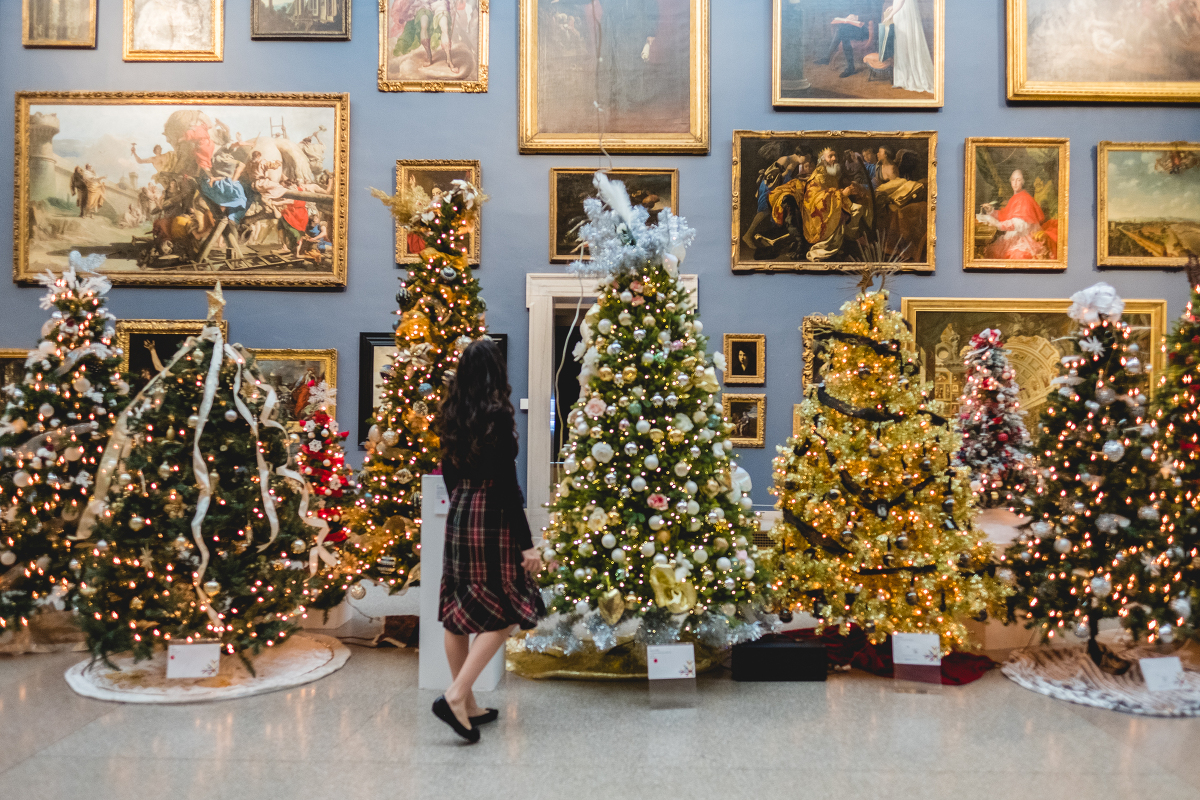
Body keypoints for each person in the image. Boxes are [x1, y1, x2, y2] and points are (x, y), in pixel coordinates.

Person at [432, 338, 544, 743]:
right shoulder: (498, 417)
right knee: (508, 608)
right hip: (490, 516)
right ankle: (456, 694)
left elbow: (446, 471)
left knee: (458, 608)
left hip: (460, 509)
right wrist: (526, 543)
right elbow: (506, 487)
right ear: (495, 371)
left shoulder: (451, 413)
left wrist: (463, 497)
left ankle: (470, 705)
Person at [975, 169, 1054, 260]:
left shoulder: (1025, 199)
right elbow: (1005, 215)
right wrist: (991, 211)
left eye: (1018, 180)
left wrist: (996, 223)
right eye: (1013, 180)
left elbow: (1019, 224)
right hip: (1015, 236)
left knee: (1012, 255)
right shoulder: (1015, 198)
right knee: (992, 251)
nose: (1015, 183)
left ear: (1023, 182)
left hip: (1026, 239)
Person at [887, 0, 935, 94]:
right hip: (901, 11)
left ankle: (907, 76)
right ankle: (902, 77)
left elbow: (901, 2)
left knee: (905, 43)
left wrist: (891, 14)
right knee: (902, 45)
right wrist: (893, 6)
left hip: (904, 13)